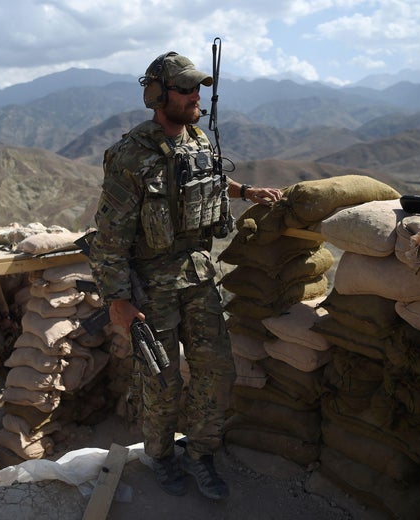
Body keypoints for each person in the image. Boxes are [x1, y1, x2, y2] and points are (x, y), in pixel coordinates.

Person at [88, 51, 283, 500]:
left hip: (198, 276)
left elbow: (211, 180)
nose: (196, 95)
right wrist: (118, 300)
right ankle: (160, 456)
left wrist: (246, 191)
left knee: (217, 370)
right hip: (151, 285)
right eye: (186, 89)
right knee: (161, 380)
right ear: (158, 96)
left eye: (199, 88)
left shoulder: (198, 140)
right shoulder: (129, 155)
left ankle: (200, 454)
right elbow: (110, 235)